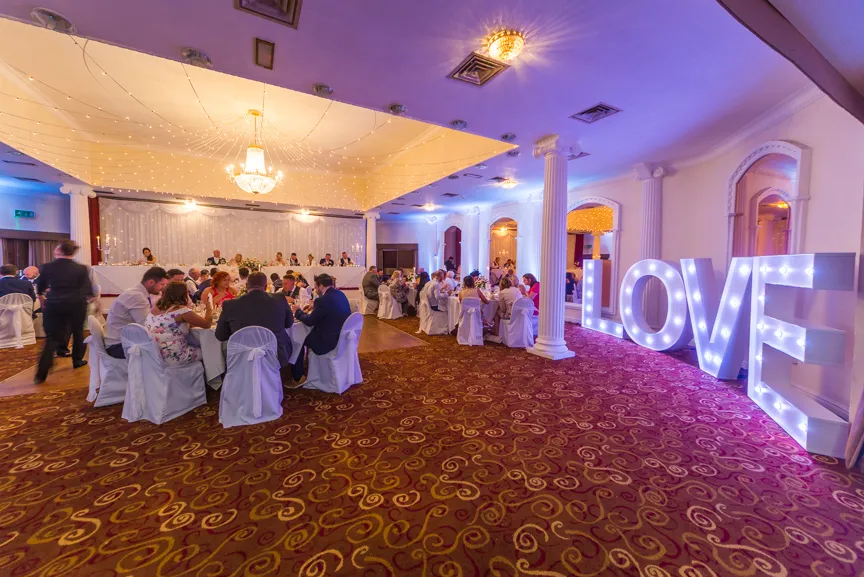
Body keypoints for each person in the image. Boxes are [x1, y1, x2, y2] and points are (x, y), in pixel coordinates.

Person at [34, 241, 94, 383]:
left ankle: (41, 373)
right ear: (72, 252)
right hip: (76, 304)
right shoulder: (81, 268)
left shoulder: (47, 267)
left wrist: (42, 297)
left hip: (54, 304)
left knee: (52, 337)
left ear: (60, 250)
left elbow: (40, 286)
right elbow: (87, 290)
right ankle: (77, 360)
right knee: (78, 332)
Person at [215, 272, 294, 368]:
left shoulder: (229, 305)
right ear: (265, 287)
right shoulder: (280, 299)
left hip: (242, 355)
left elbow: (220, 335)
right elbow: (289, 323)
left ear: (247, 286)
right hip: (275, 354)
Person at [290, 274, 350, 382]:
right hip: (342, 338)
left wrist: (297, 312)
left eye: (315, 287)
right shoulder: (340, 294)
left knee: (298, 338)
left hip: (327, 342)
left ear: (321, 286)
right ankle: (311, 366)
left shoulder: (322, 300)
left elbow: (310, 321)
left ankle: (298, 376)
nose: (315, 289)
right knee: (305, 334)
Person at [103, 266, 169, 359]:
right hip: (119, 345)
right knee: (168, 349)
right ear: (151, 282)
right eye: (162, 284)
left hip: (121, 340)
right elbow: (146, 325)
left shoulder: (137, 292)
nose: (163, 288)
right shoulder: (137, 296)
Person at [144, 281, 212, 365]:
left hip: (153, 354)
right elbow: (207, 324)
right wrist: (209, 307)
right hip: (173, 356)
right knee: (209, 350)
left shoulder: (156, 307)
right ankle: (213, 377)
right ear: (182, 294)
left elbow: (170, 324)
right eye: (187, 292)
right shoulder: (182, 311)